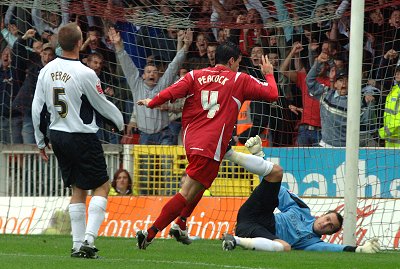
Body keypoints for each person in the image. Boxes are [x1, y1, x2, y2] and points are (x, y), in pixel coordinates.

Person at [135, 41, 278, 249]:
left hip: (191, 140)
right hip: (211, 143)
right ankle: (150, 234)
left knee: (200, 184)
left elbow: (172, 92)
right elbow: (272, 94)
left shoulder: (195, 75)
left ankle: (181, 224)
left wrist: (152, 102)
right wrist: (268, 74)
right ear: (231, 61)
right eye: (238, 62)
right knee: (188, 191)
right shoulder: (239, 79)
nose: (238, 66)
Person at [31, 22, 124, 259]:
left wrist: (40, 141)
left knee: (78, 188)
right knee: (102, 185)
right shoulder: (85, 73)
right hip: (81, 136)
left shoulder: (46, 71)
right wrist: (119, 122)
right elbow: (101, 104)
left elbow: (37, 108)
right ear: (78, 43)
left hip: (58, 135)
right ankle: (89, 242)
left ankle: (76, 245)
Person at [221, 135, 381, 253]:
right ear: (322, 215)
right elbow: (276, 190)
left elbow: (334, 248)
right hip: (255, 213)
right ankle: (229, 153)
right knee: (276, 172)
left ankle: (234, 240)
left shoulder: (311, 242)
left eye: (330, 226)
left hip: (257, 231)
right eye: (327, 219)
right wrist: (260, 157)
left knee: (285, 247)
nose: (325, 224)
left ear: (328, 233)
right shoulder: (301, 209)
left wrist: (359, 249)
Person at [379, 67, 400, 148]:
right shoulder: (394, 89)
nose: (397, 74)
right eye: (397, 72)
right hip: (390, 142)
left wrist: (381, 133)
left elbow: (398, 122)